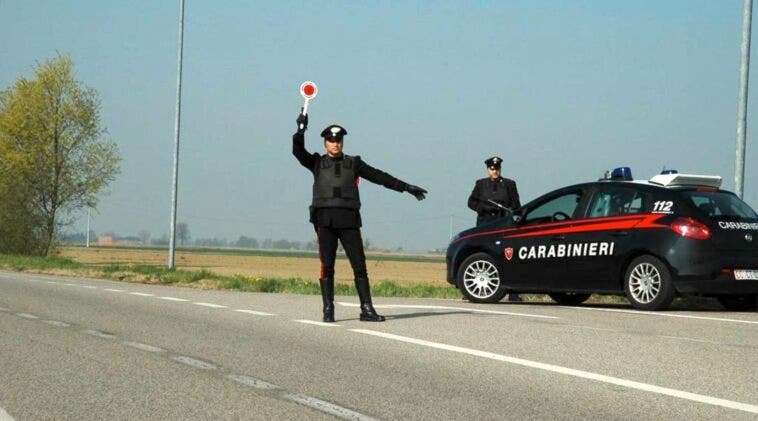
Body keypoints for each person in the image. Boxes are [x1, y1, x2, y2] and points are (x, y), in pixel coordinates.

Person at [292, 111, 428, 322]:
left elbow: (379, 176)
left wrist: (406, 188)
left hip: (349, 221)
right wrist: (301, 130)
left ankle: (367, 309)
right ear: (325, 143)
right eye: (331, 140)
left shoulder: (354, 163)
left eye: (338, 140)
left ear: (342, 143)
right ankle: (328, 310)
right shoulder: (317, 163)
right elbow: (298, 152)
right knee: (327, 265)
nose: (335, 144)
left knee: (359, 265)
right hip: (325, 220)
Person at [467, 156, 522, 302]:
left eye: (497, 169)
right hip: (485, 224)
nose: (495, 171)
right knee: (482, 256)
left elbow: (517, 205)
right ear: (487, 169)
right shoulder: (480, 184)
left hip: (503, 223)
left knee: (508, 256)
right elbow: (471, 202)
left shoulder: (510, 184)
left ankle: (513, 292)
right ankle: (475, 289)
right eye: (492, 169)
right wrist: (483, 207)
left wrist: (510, 211)